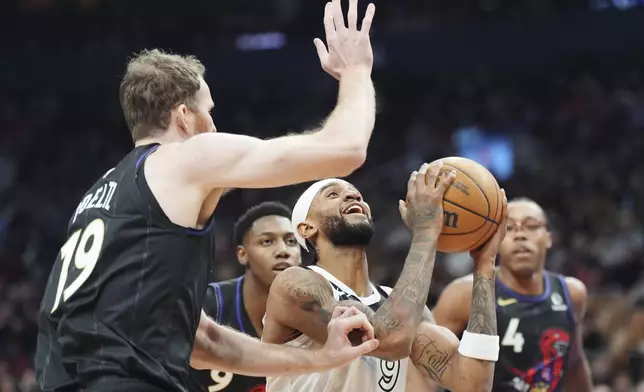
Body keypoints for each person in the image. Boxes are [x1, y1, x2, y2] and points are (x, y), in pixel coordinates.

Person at [35, 0, 381, 390]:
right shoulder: (188, 156)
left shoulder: (101, 194)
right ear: (184, 117)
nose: (215, 126)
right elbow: (347, 149)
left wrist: (318, 359)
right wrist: (356, 72)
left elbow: (203, 342)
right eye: (209, 112)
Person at [262, 162, 509, 392]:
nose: (352, 195)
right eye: (332, 194)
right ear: (306, 228)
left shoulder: (407, 308)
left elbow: (473, 383)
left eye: (356, 194)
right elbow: (391, 340)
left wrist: (484, 264)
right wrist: (426, 230)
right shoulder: (295, 284)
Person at [432, 197, 592, 392]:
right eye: (509, 228)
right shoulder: (464, 293)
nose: (520, 235)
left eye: (531, 226)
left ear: (549, 238)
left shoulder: (572, 294)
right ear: (496, 240)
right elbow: (424, 366)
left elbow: (574, 364)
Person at [190, 201, 302, 392]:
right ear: (242, 254)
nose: (283, 250)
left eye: (291, 241)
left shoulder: (317, 310)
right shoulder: (208, 305)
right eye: (267, 241)